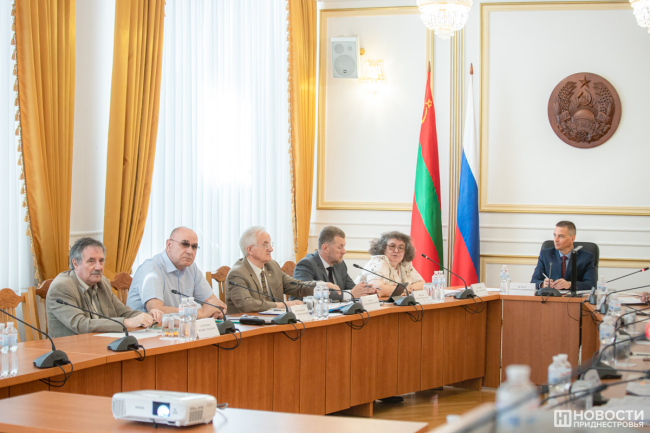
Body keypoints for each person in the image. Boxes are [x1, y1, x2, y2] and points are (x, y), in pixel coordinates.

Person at [47, 237, 163, 338]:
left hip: (101, 344)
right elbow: (81, 325)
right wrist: (126, 322)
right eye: (91, 261)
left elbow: (124, 313)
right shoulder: (61, 287)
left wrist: (148, 317)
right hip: (71, 350)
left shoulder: (102, 282)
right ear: (76, 264)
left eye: (101, 261)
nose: (99, 267)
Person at [226, 226, 336, 314]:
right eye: (265, 245)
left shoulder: (272, 266)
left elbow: (296, 286)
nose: (271, 249)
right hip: (246, 326)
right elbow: (247, 304)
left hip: (274, 323)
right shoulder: (237, 274)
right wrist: (283, 305)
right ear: (250, 249)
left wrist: (319, 285)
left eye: (270, 244)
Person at [127, 227, 226, 318]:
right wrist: (200, 312)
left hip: (177, 328)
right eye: (184, 244)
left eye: (194, 247)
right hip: (144, 329)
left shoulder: (191, 268)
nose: (190, 251)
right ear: (169, 245)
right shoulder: (152, 268)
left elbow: (213, 302)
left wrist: (218, 309)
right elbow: (157, 310)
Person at [293, 226, 378, 301]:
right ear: (325, 248)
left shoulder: (339, 264)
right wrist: (350, 294)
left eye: (344, 246)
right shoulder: (306, 264)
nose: (344, 251)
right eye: (340, 247)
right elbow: (308, 294)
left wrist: (367, 291)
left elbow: (352, 288)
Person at [354, 231, 424, 297]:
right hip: (364, 303)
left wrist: (409, 288)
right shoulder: (378, 262)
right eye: (392, 246)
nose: (396, 251)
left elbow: (422, 284)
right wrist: (404, 289)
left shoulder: (404, 264)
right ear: (383, 248)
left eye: (401, 248)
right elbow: (378, 289)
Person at [531, 221, 596, 291]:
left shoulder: (586, 257)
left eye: (560, 236)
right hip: (551, 296)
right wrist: (543, 284)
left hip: (573, 297)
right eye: (555, 235)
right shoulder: (545, 254)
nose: (556, 240)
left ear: (572, 238)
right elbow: (533, 282)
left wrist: (570, 284)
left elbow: (591, 284)